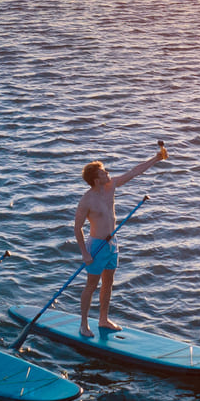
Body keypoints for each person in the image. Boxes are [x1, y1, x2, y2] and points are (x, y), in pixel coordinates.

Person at [73, 143, 166, 336]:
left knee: (108, 283)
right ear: (95, 179)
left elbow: (134, 172)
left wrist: (156, 158)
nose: (107, 173)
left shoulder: (110, 186)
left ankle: (103, 319)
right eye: (103, 172)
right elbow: (77, 228)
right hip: (96, 246)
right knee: (91, 285)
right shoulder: (87, 200)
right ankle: (83, 324)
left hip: (112, 244)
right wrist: (84, 253)